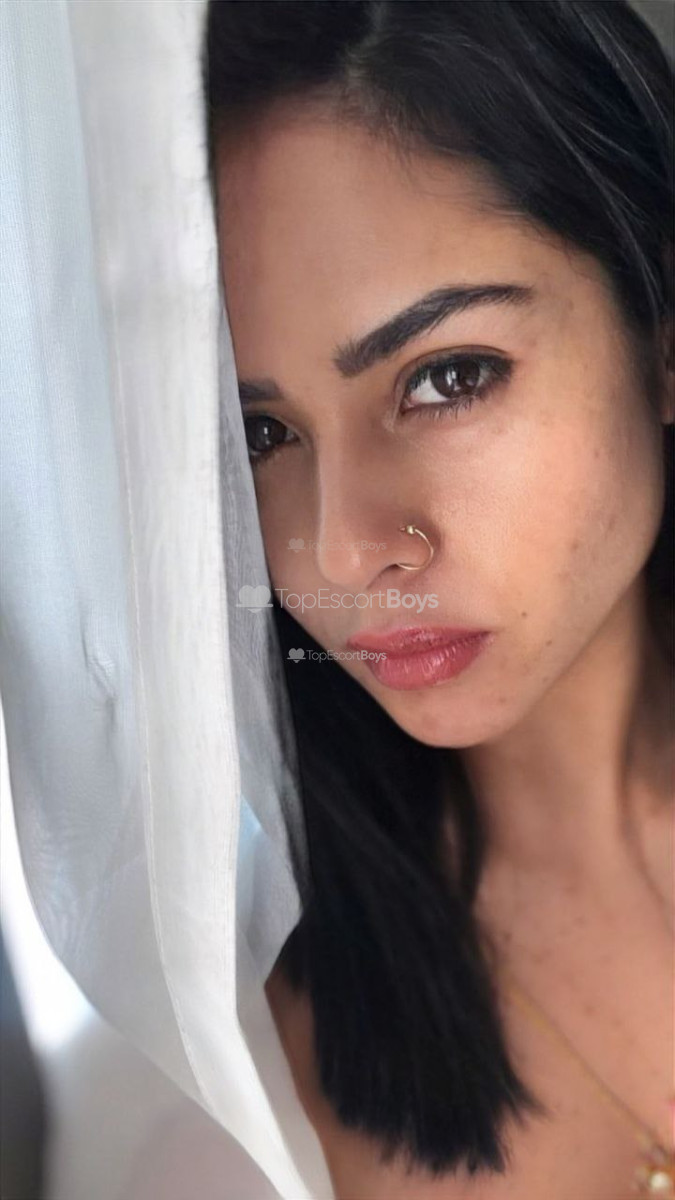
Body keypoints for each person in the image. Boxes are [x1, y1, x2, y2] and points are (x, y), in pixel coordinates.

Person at [201, 2, 674, 1196]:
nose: (340, 551)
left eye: (449, 376)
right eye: (261, 435)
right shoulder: (252, 1058)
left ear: (660, 339)